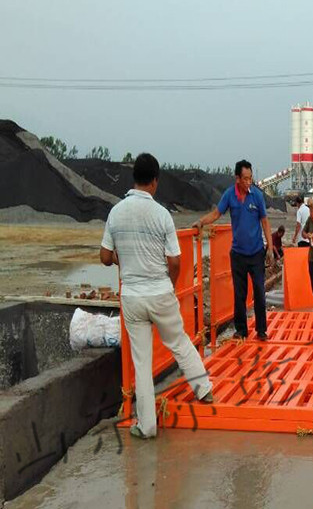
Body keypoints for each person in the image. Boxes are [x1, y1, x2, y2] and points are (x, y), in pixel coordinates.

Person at [100, 153, 213, 439]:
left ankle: (147, 426)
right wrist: (171, 284)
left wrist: (121, 258)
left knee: (141, 361)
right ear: (154, 181)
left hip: (133, 297)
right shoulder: (162, 214)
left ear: (134, 179)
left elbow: (104, 256)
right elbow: (175, 261)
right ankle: (204, 389)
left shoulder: (116, 212)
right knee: (179, 342)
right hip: (160, 291)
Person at [192, 160, 273, 341]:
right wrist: (201, 222)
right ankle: (241, 330)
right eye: (245, 178)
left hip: (256, 253)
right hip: (238, 255)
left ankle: (261, 330)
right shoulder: (229, 195)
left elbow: (265, 222)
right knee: (239, 294)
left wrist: (270, 247)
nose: (248, 182)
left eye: (250, 178)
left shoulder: (257, 196)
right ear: (237, 178)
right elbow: (216, 214)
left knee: (259, 292)